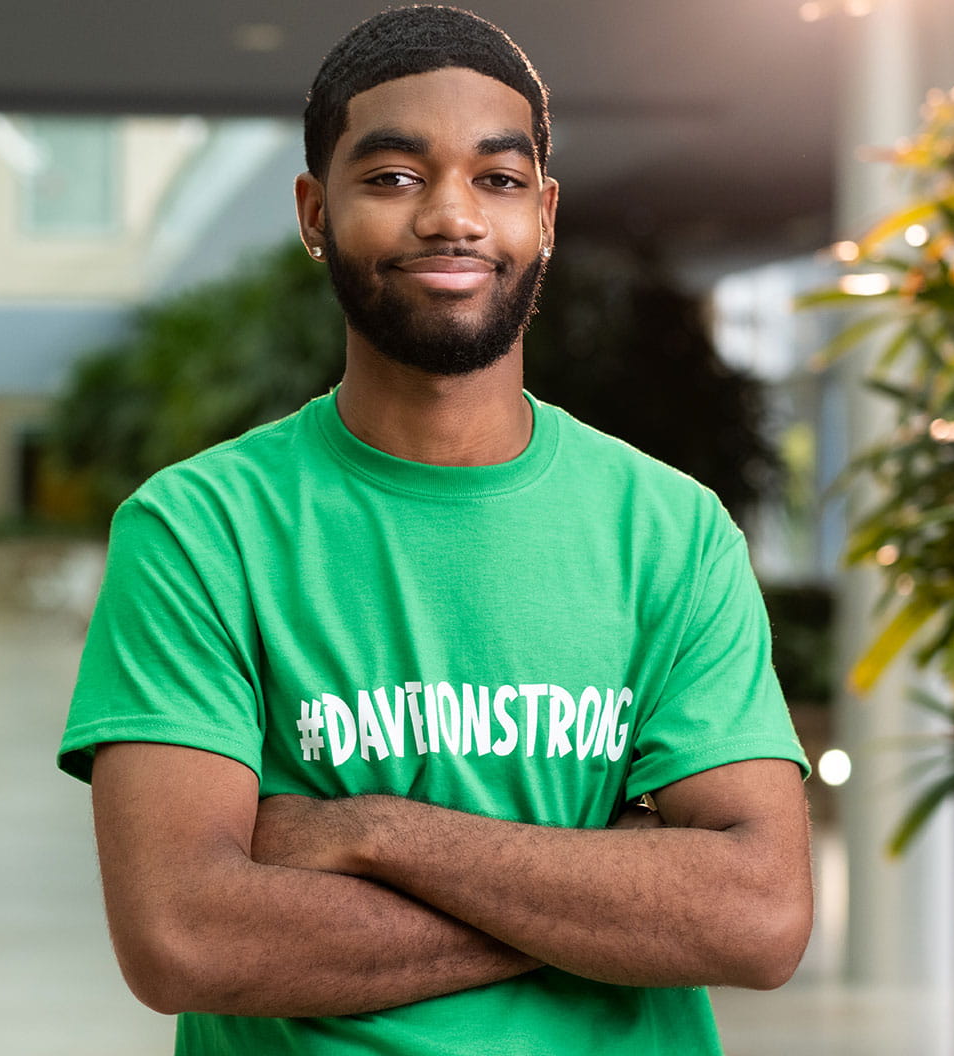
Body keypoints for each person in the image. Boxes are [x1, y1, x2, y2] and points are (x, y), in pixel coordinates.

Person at [58, 6, 813, 1054]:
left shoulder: (671, 531)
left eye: (498, 180)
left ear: (544, 215)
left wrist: (368, 832)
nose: (451, 217)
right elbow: (184, 937)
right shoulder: (199, 530)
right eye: (394, 177)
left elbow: (760, 916)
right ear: (315, 212)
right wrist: (606, 888)